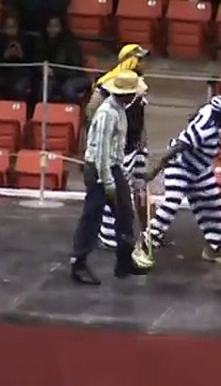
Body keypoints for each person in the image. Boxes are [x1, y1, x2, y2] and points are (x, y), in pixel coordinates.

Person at [69, 71, 150, 286]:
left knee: (125, 213)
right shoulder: (107, 114)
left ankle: (124, 260)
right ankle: (79, 262)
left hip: (113, 166)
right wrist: (108, 181)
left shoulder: (120, 110)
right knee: (92, 215)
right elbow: (102, 151)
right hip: (99, 169)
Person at [139, 95, 221, 265]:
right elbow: (178, 147)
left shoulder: (210, 112)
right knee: (172, 202)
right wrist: (154, 170)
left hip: (200, 168)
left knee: (213, 206)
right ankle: (146, 240)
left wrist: (192, 117)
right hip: (180, 164)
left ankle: (213, 248)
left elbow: (202, 107)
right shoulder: (203, 130)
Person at [89, 44, 153, 252]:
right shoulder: (109, 84)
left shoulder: (137, 84)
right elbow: (92, 111)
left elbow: (141, 113)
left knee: (137, 188)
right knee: (116, 190)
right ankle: (108, 237)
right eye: (140, 59)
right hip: (120, 149)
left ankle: (141, 233)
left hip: (135, 143)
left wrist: (143, 139)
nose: (144, 63)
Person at [35, 15, 90, 103]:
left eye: (55, 26)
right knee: (45, 89)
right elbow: (37, 61)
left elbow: (75, 69)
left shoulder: (71, 42)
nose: (52, 29)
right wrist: (42, 69)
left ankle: (76, 114)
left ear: (62, 27)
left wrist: (54, 72)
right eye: (49, 26)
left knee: (68, 90)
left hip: (73, 77)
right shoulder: (42, 41)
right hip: (53, 79)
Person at [0, 13, 33, 101]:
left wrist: (21, 56)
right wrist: (5, 56)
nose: (11, 30)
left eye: (13, 26)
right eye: (8, 27)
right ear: (3, 28)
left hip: (21, 74)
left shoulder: (26, 40)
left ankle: (17, 111)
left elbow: (32, 64)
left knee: (19, 88)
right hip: (3, 73)